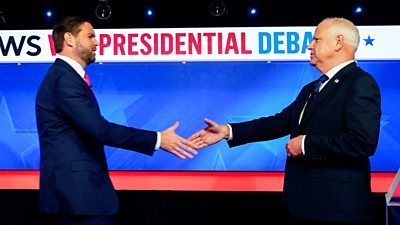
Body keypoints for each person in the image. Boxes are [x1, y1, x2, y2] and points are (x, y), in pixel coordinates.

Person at [189, 17, 381, 225]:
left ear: (338, 42)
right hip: (302, 205)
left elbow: (363, 142)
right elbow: (280, 122)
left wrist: (306, 144)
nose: (309, 45)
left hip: (336, 209)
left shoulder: (360, 83)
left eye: (316, 39)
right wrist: (227, 131)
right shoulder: (311, 88)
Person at [35, 16, 198, 225]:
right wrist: (157, 139)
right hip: (77, 198)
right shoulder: (64, 80)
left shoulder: (66, 77)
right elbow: (100, 130)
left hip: (79, 197)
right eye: (90, 36)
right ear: (69, 39)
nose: (97, 42)